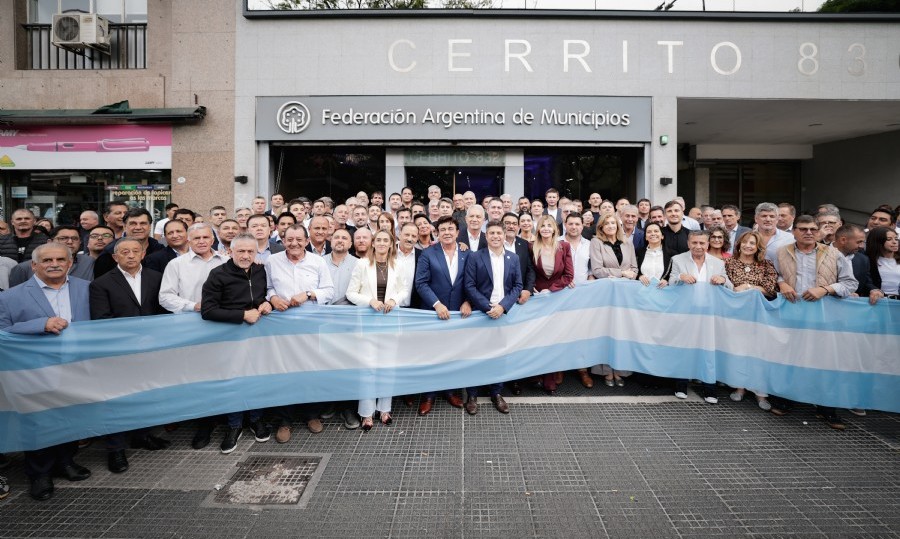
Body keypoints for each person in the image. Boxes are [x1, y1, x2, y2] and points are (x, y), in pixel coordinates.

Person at [0, 244, 93, 501]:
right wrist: (40, 324)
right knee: (37, 421)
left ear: (70, 263)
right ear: (34, 265)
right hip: (34, 369)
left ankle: (66, 461)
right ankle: (39, 473)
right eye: (47, 260)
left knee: (71, 415)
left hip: (76, 366)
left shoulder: (86, 288)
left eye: (60, 259)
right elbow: (2, 332)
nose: (54, 264)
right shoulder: (11, 296)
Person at [90, 238, 170, 472]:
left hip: (152, 348)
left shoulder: (157, 277)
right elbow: (102, 320)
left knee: (147, 393)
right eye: (125, 252)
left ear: (143, 254)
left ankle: (142, 435)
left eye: (136, 251)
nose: (131, 255)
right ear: (115, 257)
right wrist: (134, 339)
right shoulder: (101, 283)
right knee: (118, 400)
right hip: (119, 352)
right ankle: (115, 449)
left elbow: (163, 312)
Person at [772, 215, 858, 428]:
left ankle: (826, 407)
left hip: (825, 317)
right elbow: (771, 274)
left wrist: (826, 289)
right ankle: (786, 399)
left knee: (826, 362)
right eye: (803, 229)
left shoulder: (834, 253)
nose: (808, 232)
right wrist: (781, 283)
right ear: (794, 231)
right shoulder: (781, 252)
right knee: (791, 358)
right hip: (792, 315)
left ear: (819, 232)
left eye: (812, 229)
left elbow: (850, 284)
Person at [201, 234, 274, 452]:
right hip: (229, 337)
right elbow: (208, 310)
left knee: (257, 378)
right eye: (241, 251)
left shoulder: (260, 271)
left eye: (250, 251)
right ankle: (234, 425)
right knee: (233, 380)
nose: (245, 255)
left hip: (256, 337)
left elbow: (260, 296)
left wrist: (266, 304)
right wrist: (242, 315)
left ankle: (256, 419)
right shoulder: (218, 274)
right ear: (230, 251)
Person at [265, 224, 336, 441]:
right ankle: (284, 420)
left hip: (311, 326)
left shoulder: (318, 262)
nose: (294, 243)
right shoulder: (272, 261)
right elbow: (268, 288)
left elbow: (329, 291)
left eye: (299, 239)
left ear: (306, 241)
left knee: (311, 370)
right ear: (282, 241)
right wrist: (273, 298)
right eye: (289, 239)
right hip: (282, 326)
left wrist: (308, 294)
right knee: (284, 371)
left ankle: (311, 414)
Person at [346, 229, 412, 430]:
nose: (382, 243)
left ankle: (384, 409)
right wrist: (370, 301)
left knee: (387, 367)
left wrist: (393, 299)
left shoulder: (398, 265)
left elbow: (404, 290)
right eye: (379, 240)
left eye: (386, 240)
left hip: (390, 322)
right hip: (368, 322)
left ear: (391, 244)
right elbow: (350, 293)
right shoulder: (362, 264)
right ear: (373, 243)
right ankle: (367, 413)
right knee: (368, 368)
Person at [463, 220, 522, 415]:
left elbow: (517, 286)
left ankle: (496, 392)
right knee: (476, 354)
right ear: (486, 236)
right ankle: (472, 395)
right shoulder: (475, 257)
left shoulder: (513, 258)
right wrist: (488, 307)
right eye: (492, 233)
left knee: (499, 355)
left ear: (504, 235)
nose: (496, 236)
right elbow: (469, 285)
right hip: (481, 313)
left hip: (502, 314)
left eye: (499, 233)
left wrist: (502, 307)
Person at [414, 216, 472, 415]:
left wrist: (468, 301)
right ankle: (429, 395)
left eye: (450, 229)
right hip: (433, 313)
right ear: (437, 233)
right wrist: (436, 304)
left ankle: (450, 391)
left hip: (459, 314)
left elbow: (472, 282)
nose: (447, 232)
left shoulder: (467, 254)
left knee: (453, 354)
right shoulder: (428, 254)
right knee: (431, 354)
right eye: (443, 229)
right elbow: (421, 283)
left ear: (457, 232)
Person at [670, 230, 733, 403]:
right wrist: (681, 277)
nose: (698, 246)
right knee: (684, 349)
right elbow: (671, 282)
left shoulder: (718, 263)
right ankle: (681, 385)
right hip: (686, 313)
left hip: (709, 314)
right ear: (688, 243)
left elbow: (730, 285)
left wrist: (722, 280)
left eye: (702, 243)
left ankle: (709, 388)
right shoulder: (678, 259)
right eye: (694, 243)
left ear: (708, 244)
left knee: (708, 350)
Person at [725, 230, 778, 411]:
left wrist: (747, 286)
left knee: (759, 352)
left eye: (752, 243)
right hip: (736, 316)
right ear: (739, 244)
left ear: (758, 247)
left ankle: (760, 392)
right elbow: (728, 287)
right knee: (739, 350)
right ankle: (739, 387)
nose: (748, 245)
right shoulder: (729, 263)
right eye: (745, 242)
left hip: (760, 316)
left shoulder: (766, 265)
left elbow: (770, 288)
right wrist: (740, 288)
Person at [589, 211, 638, 387]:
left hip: (625, 295)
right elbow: (597, 270)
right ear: (601, 227)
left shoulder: (627, 243)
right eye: (607, 223)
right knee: (606, 331)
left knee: (622, 332)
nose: (610, 226)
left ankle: (620, 370)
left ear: (618, 226)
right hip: (605, 295)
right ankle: (606, 370)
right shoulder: (596, 242)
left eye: (613, 223)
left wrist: (629, 274)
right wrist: (622, 273)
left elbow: (634, 268)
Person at [532, 215, 574, 394]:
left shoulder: (564, 246)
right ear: (538, 229)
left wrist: (551, 289)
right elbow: (529, 272)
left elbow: (569, 275)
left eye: (549, 225)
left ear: (555, 229)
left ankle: (549, 378)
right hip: (537, 298)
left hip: (557, 298)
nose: (546, 228)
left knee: (552, 339)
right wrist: (533, 288)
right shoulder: (532, 247)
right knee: (537, 338)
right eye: (543, 226)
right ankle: (535, 375)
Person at [8, 225, 94, 287]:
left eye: (75, 238)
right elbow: (16, 296)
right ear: (50, 242)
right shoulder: (24, 268)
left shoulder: (89, 262)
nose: (70, 242)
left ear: (80, 242)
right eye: (63, 238)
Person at [94, 208, 164, 278]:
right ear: (124, 227)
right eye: (133, 224)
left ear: (150, 226)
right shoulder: (110, 252)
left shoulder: (161, 251)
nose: (138, 227)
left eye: (143, 223)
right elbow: (100, 281)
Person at [833, 224, 878, 303]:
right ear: (843, 240)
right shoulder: (820, 253)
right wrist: (843, 293)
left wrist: (875, 290)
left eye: (863, 242)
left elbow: (867, 282)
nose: (862, 246)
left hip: (851, 306)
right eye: (859, 242)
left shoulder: (863, 259)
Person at [865, 226, 900, 300]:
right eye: (889, 239)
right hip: (876, 301)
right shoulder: (867, 260)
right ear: (878, 241)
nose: (894, 242)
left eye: (896, 239)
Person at [636, 223, 672, 288]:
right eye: (649, 232)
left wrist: (667, 280)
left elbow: (675, 273)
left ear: (662, 236)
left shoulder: (671, 254)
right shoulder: (638, 253)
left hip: (664, 291)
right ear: (646, 237)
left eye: (656, 231)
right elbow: (634, 271)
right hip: (642, 290)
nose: (653, 234)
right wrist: (639, 276)